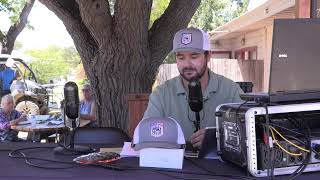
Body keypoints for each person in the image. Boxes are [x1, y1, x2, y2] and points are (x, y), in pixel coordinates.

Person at [143, 27, 243, 149]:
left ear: (208, 56)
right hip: (174, 166)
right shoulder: (161, 94)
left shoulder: (231, 90)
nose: (187, 64)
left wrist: (218, 137)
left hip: (220, 166)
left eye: (194, 56)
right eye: (181, 58)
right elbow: (147, 136)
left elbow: (249, 132)